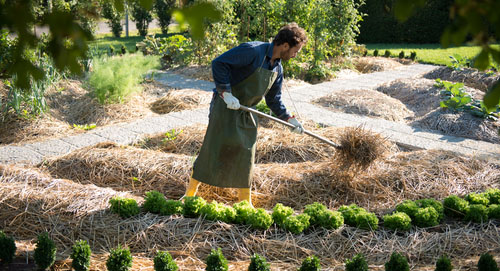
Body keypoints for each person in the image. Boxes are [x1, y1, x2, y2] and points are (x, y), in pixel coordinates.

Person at [182, 23, 308, 206]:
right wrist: (225, 92)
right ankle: (189, 194)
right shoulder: (252, 51)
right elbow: (219, 63)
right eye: (296, 50)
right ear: (286, 45)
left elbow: (274, 100)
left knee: (246, 156)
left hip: (247, 112)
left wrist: (289, 119)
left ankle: (245, 203)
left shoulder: (277, 68)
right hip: (226, 106)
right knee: (212, 150)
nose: (296, 55)